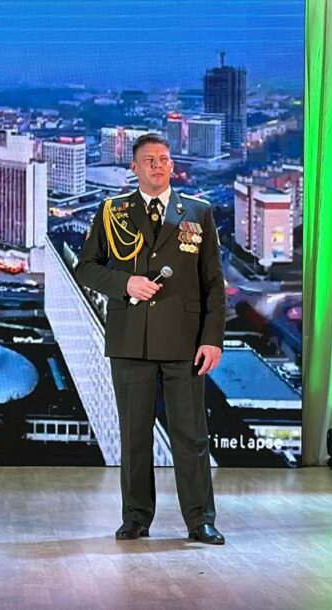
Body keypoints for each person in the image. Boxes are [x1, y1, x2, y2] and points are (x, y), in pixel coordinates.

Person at [74, 133, 227, 545]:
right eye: (148, 160)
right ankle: (136, 518)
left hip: (185, 342)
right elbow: (86, 268)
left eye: (163, 159)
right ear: (134, 168)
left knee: (191, 435)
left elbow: (213, 283)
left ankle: (200, 520)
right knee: (135, 435)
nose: (157, 166)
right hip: (131, 340)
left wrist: (212, 339)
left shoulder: (198, 212)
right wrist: (126, 284)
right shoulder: (112, 212)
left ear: (172, 165)